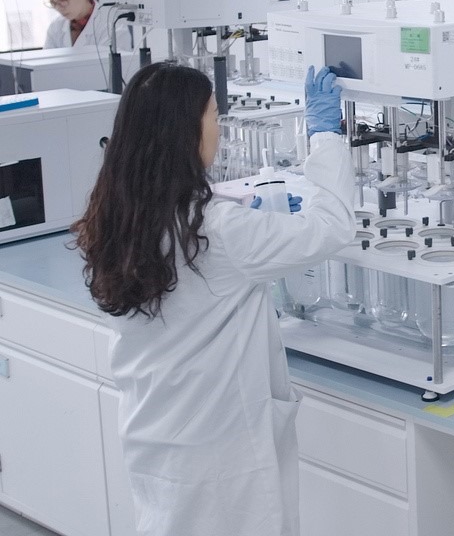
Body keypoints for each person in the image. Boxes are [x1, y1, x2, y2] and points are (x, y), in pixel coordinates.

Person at [71, 62, 354, 536]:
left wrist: (250, 224)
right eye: (214, 116)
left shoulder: (120, 216)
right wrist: (325, 135)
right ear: (186, 132)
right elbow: (332, 228)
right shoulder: (218, 230)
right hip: (221, 449)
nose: (219, 130)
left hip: (155, 433)